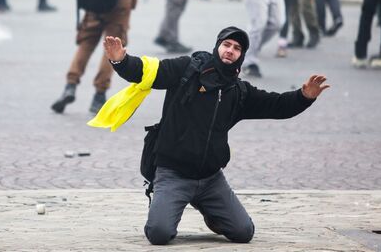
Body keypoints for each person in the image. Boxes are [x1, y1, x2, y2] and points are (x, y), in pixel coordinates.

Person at [102, 26, 329, 245]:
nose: (230, 50)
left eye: (237, 48)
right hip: (173, 174)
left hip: (211, 179)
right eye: (226, 44)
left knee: (243, 232)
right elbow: (146, 71)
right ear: (217, 47)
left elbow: (277, 105)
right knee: (159, 234)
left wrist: (304, 97)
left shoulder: (240, 91)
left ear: (241, 56)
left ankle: (212, 213)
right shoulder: (186, 69)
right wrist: (120, 61)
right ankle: (166, 202)